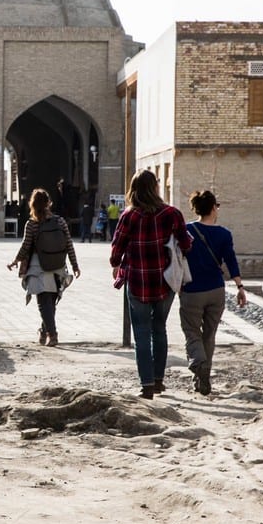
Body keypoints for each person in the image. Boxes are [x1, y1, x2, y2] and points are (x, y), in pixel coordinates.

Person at [109, 171, 191, 399]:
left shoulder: (129, 216)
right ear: (155, 188)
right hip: (165, 281)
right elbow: (186, 244)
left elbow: (116, 249)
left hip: (137, 281)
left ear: (133, 190)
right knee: (159, 329)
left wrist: (116, 264)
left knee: (142, 333)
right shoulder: (172, 214)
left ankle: (146, 385)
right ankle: (158, 380)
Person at [179, 190, 246, 395]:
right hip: (216, 290)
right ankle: (202, 378)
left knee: (191, 332)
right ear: (213, 208)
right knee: (209, 335)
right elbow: (231, 261)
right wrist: (240, 287)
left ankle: (198, 363)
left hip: (192, 290)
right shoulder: (224, 234)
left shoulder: (186, 231)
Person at [7, 188, 81, 346]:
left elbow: (25, 246)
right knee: (51, 302)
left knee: (43, 301)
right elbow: (69, 244)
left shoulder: (32, 224)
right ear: (49, 203)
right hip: (58, 265)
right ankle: (43, 331)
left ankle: (52, 335)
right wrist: (75, 265)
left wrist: (15, 261)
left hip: (38, 266)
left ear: (32, 204)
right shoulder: (60, 221)